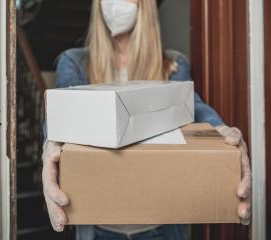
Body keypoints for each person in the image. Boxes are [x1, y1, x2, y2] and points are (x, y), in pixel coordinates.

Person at [42, 0, 252, 239]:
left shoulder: (173, 65)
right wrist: (50, 146)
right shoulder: (74, 62)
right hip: (100, 227)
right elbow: (64, 112)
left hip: (160, 228)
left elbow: (194, 107)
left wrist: (221, 131)